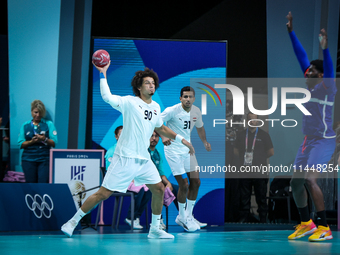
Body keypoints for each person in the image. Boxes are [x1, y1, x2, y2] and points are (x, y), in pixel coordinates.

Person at [61, 62, 195, 239]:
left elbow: (161, 128)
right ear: (139, 87)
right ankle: (72, 221)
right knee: (103, 193)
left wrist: (182, 139)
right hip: (125, 158)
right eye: (147, 83)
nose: (151, 85)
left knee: (158, 189)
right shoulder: (129, 102)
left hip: (144, 159)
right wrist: (102, 73)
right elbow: (107, 96)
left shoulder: (155, 107)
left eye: (153, 83)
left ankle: (155, 229)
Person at [286, 12, 336, 241]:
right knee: (295, 181)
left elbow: (327, 67)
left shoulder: (328, 87)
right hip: (307, 140)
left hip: (324, 141)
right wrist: (291, 33)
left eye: (311, 71)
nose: (307, 73)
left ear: (321, 75)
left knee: (310, 180)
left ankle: (325, 228)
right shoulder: (310, 85)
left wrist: (325, 49)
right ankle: (307, 223)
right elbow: (301, 56)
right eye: (306, 72)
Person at [160, 86, 210, 232]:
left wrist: (205, 142)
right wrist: (163, 137)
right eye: (185, 97)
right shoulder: (171, 111)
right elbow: (156, 123)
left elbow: (200, 128)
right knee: (184, 184)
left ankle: (188, 216)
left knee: (196, 181)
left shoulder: (196, 111)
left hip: (188, 150)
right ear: (180, 98)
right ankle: (181, 216)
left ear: (194, 99)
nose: (188, 99)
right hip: (173, 151)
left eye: (190, 97)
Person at [105, 125, 151, 230]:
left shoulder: (130, 151)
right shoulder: (112, 151)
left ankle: (136, 217)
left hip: (130, 181)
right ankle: (130, 217)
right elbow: (110, 172)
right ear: (116, 137)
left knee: (149, 190)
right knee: (139, 189)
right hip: (116, 182)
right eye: (121, 135)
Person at [234, 112, 274, 223]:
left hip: (259, 171)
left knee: (261, 197)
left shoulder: (264, 135)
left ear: (258, 121)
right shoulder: (241, 135)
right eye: (250, 119)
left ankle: (263, 219)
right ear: (247, 120)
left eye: (254, 119)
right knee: (244, 197)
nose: (252, 121)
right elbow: (236, 151)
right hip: (245, 171)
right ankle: (243, 219)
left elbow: (271, 152)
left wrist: (259, 158)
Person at [18, 100, 58, 183]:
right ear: (31, 111)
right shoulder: (25, 125)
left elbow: (54, 143)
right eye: (36, 112)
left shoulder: (49, 124)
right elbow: (21, 144)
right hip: (28, 159)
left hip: (44, 159)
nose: (38, 115)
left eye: (40, 113)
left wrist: (44, 139)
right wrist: (31, 142)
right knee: (30, 183)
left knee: (43, 183)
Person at [149, 130, 179, 230]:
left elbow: (161, 173)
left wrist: (168, 183)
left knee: (176, 188)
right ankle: (158, 220)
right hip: (145, 181)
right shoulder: (143, 151)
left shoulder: (158, 153)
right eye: (151, 136)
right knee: (159, 188)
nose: (154, 138)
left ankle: (184, 216)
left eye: (156, 136)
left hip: (157, 180)